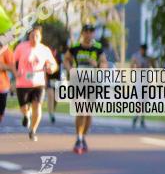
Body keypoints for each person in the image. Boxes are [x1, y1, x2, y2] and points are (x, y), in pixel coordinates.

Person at [65, 25, 107, 154]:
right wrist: (70, 69)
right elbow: (66, 59)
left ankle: (83, 137)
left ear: (93, 34)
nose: (88, 34)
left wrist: (98, 65)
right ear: (82, 33)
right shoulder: (75, 48)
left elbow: (104, 64)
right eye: (86, 32)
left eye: (91, 32)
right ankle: (78, 138)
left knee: (88, 114)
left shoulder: (98, 49)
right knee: (81, 110)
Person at [13, 26, 59, 141]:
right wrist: (15, 72)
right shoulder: (21, 47)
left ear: (40, 37)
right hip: (22, 83)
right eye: (32, 35)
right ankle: (26, 115)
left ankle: (33, 130)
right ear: (29, 36)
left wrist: (51, 68)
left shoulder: (44, 49)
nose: (34, 38)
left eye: (37, 36)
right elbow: (13, 62)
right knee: (24, 107)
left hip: (38, 84)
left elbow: (54, 65)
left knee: (37, 106)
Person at [130, 44, 154, 128]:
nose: (144, 52)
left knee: (144, 101)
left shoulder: (148, 57)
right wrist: (136, 67)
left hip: (146, 80)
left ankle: (142, 119)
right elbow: (131, 67)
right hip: (139, 80)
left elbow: (153, 66)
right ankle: (136, 117)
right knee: (139, 100)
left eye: (145, 50)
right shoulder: (136, 56)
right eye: (143, 50)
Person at [46, 45, 63, 124]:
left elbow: (61, 68)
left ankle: (53, 110)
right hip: (49, 79)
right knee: (50, 96)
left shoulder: (59, 58)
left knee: (56, 98)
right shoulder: (46, 58)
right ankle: (51, 114)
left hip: (57, 80)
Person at [0, 43, 15, 124]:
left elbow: (12, 67)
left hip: (2, 87)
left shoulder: (5, 49)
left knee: (1, 114)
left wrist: (3, 66)